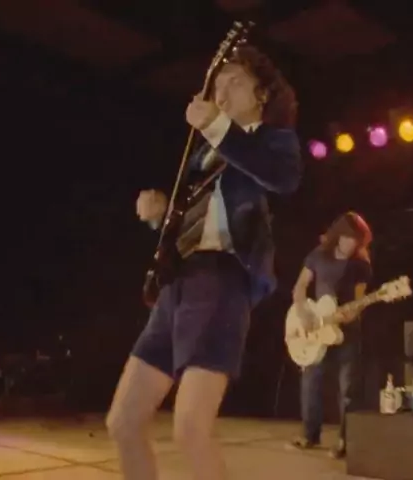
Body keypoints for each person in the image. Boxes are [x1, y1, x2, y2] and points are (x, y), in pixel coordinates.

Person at [106, 46, 301, 480]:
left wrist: (216, 125)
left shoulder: (270, 141)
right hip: (177, 283)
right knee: (123, 421)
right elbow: (194, 220)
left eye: (235, 82)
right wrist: (160, 215)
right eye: (217, 85)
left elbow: (284, 178)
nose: (222, 92)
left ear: (262, 95)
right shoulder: (203, 156)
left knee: (191, 428)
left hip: (221, 278)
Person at [288, 212, 373, 459]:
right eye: (348, 238)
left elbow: (359, 299)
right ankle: (309, 434)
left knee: (348, 388)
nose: (351, 244)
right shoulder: (318, 255)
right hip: (316, 327)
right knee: (310, 381)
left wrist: (352, 313)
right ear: (338, 235)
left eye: (356, 240)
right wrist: (303, 311)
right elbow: (300, 287)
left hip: (348, 331)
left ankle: (345, 440)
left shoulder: (361, 263)